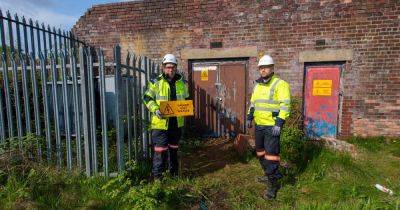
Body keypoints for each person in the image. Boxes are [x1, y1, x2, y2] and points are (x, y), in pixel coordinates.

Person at [246, 54, 291, 199]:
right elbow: (253, 104)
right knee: (260, 153)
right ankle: (269, 175)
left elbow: (285, 105)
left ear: (272, 68)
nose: (263, 70)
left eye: (266, 67)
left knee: (271, 156)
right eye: (261, 68)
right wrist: (249, 117)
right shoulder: (257, 85)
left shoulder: (280, 84)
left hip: (272, 127)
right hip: (259, 126)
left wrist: (279, 123)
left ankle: (272, 186)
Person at [143, 53, 189, 179]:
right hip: (160, 124)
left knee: (174, 151)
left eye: (173, 67)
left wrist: (188, 108)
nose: (171, 69)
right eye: (168, 67)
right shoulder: (155, 82)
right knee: (160, 152)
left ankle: (174, 176)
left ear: (176, 67)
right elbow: (146, 98)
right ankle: (158, 179)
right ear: (163, 67)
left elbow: (186, 99)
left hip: (176, 124)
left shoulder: (182, 83)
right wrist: (155, 109)